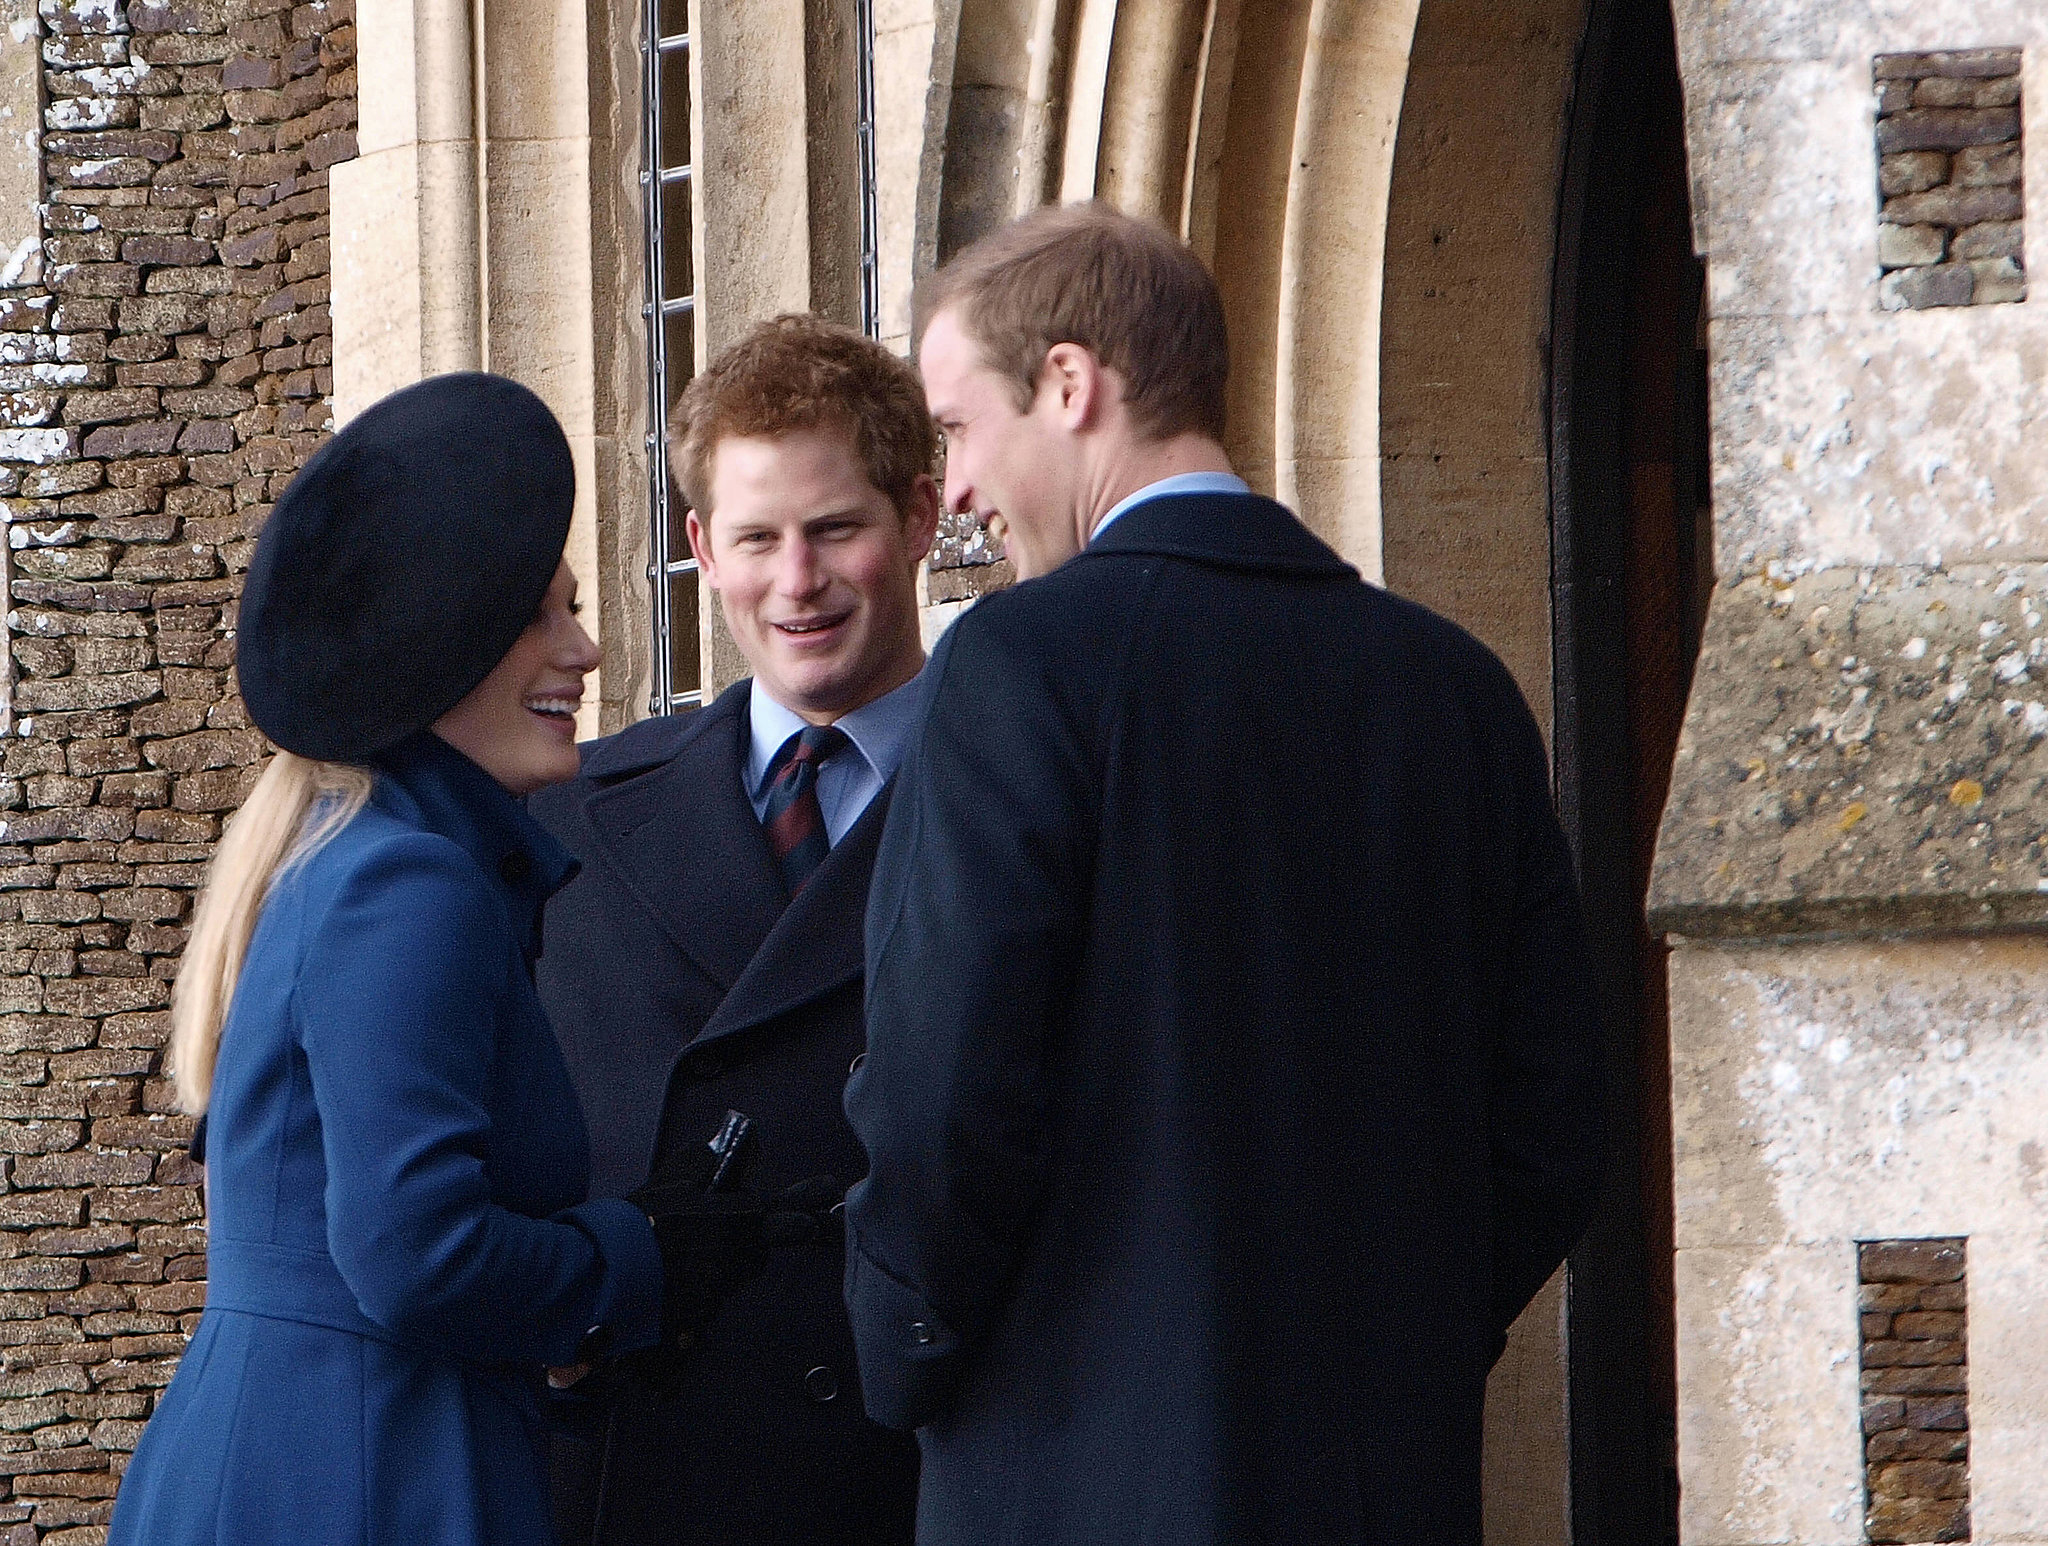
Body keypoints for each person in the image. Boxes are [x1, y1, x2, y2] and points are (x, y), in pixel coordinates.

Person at [842, 203, 1607, 1545]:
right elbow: (1550, 1124)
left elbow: (943, 1090)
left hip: (1070, 1472)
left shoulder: (1023, 664)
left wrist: (907, 1353)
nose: (952, 489)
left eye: (959, 429)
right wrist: (1400, 1341)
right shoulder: (1454, 688)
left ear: (1071, 384)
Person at [109, 374, 693, 1546]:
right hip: (361, 1477)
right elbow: (415, 1254)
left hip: (324, 1454)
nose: (582, 649)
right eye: (541, 614)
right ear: (446, 643)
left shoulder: (375, 857)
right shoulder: (408, 882)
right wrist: (641, 1254)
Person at [532, 315, 933, 1545]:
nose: (794, 582)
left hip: (920, 1474)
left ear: (919, 517)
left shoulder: (1033, 802)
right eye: (756, 537)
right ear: (702, 547)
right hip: (637, 1473)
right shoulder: (568, 817)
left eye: (834, 530)